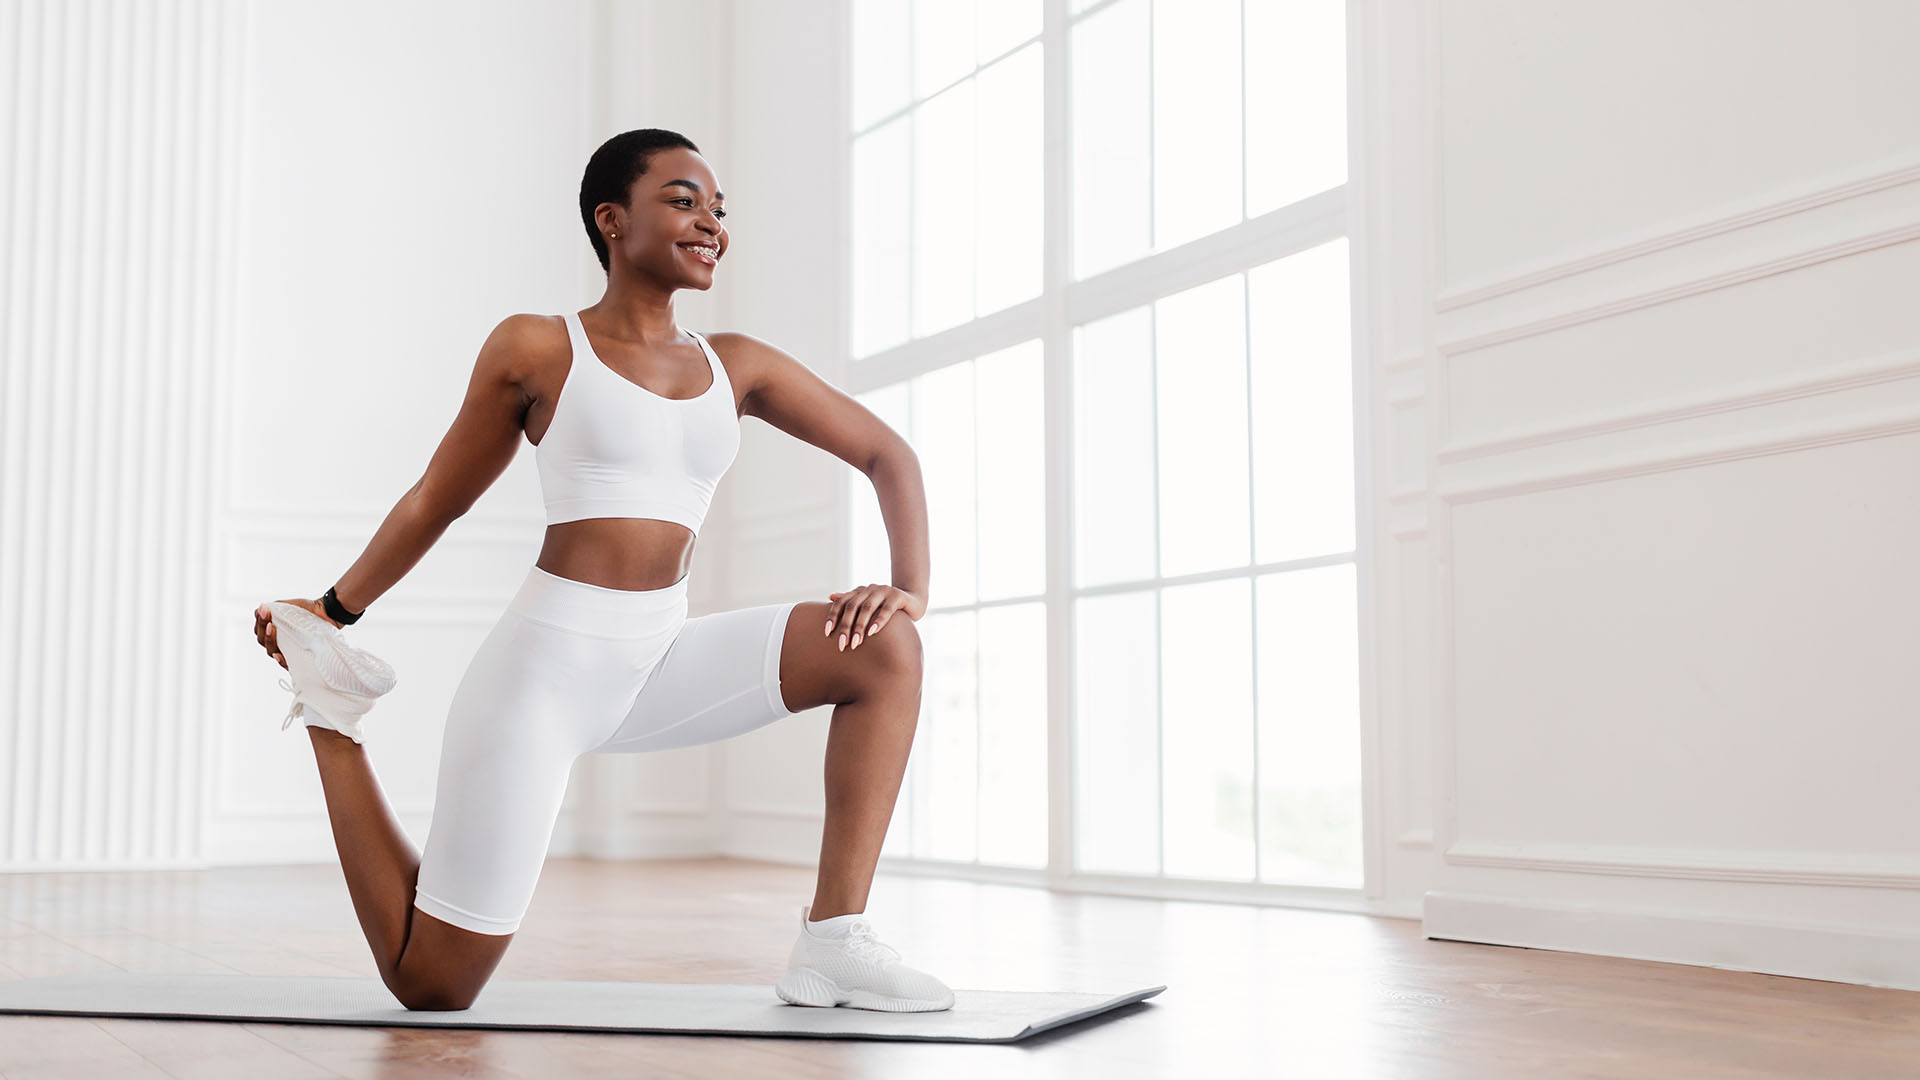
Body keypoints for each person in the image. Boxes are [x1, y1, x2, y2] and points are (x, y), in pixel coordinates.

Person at [250, 128, 952, 1013]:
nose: (710, 223)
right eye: (684, 200)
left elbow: (889, 454)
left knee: (884, 651)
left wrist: (910, 588)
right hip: (542, 676)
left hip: (660, 658)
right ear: (611, 220)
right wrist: (331, 612)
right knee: (434, 984)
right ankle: (331, 713)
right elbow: (438, 497)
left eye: (719, 209)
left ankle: (834, 942)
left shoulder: (737, 364)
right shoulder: (538, 347)